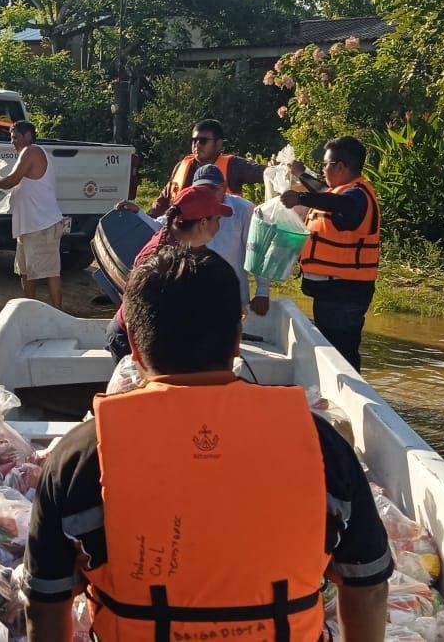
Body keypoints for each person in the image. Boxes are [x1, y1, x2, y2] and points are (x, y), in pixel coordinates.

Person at [23, 245, 392, 642]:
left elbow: (46, 604)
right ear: (238, 336)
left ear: (131, 339)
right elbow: (367, 586)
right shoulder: (319, 443)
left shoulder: (81, 456)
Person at [281, 136, 380, 371]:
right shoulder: (342, 191)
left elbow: (340, 204)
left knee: (341, 352)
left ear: (341, 167)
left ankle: (354, 401)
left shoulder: (357, 196)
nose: (323, 170)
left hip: (345, 292)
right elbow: (325, 193)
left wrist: (301, 198)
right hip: (333, 290)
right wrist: (301, 174)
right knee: (332, 350)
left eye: (325, 165)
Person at [105, 184, 231, 362]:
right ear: (203, 223)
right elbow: (144, 315)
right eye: (217, 220)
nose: (219, 227)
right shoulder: (159, 258)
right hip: (133, 341)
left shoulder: (185, 246)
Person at [0, 121, 66, 310]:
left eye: (15, 138)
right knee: (25, 273)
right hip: (27, 226)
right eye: (11, 139)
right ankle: (31, 311)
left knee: (50, 272)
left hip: (42, 225)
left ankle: (59, 314)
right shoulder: (26, 154)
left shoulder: (32, 151)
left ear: (28, 135)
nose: (12, 142)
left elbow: (11, 180)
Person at [125, 119, 266, 218]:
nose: (197, 145)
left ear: (218, 144)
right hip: (181, 237)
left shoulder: (234, 166)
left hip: (220, 240)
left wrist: (285, 170)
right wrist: (145, 218)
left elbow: (266, 173)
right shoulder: (182, 166)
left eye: (203, 141)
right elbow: (163, 202)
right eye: (194, 140)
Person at [193, 163, 271, 316]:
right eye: (200, 190)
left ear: (223, 187)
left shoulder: (244, 209)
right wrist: (139, 213)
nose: (205, 194)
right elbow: (160, 227)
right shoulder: (187, 209)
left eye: (211, 189)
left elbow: (258, 250)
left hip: (233, 299)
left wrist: (263, 291)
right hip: (196, 298)